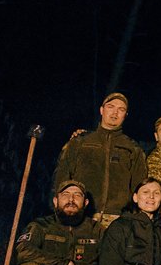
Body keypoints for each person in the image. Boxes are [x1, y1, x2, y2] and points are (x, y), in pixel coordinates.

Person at [53, 92, 147, 229]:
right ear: (102, 110)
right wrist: (60, 210)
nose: (115, 112)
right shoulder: (80, 142)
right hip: (82, 216)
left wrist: (134, 217)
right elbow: (61, 177)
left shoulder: (133, 148)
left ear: (125, 115)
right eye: (111, 107)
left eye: (121, 109)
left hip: (118, 220)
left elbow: (140, 186)